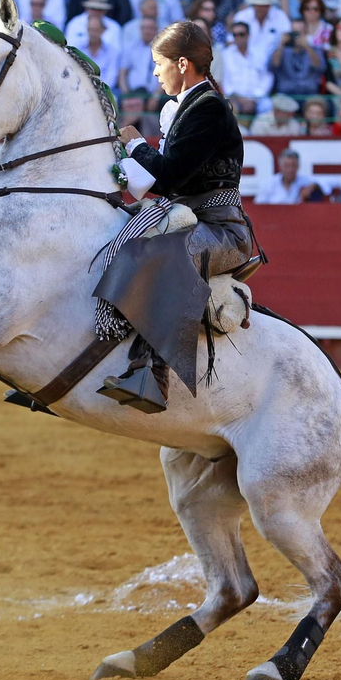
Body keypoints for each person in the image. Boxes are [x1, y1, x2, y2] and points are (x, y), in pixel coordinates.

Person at [96, 21, 258, 414]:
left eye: (159, 63)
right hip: (190, 217)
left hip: (221, 230)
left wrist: (135, 143)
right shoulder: (187, 107)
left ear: (182, 64)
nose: (154, 71)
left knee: (163, 258)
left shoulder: (211, 109)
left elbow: (169, 177)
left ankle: (153, 377)